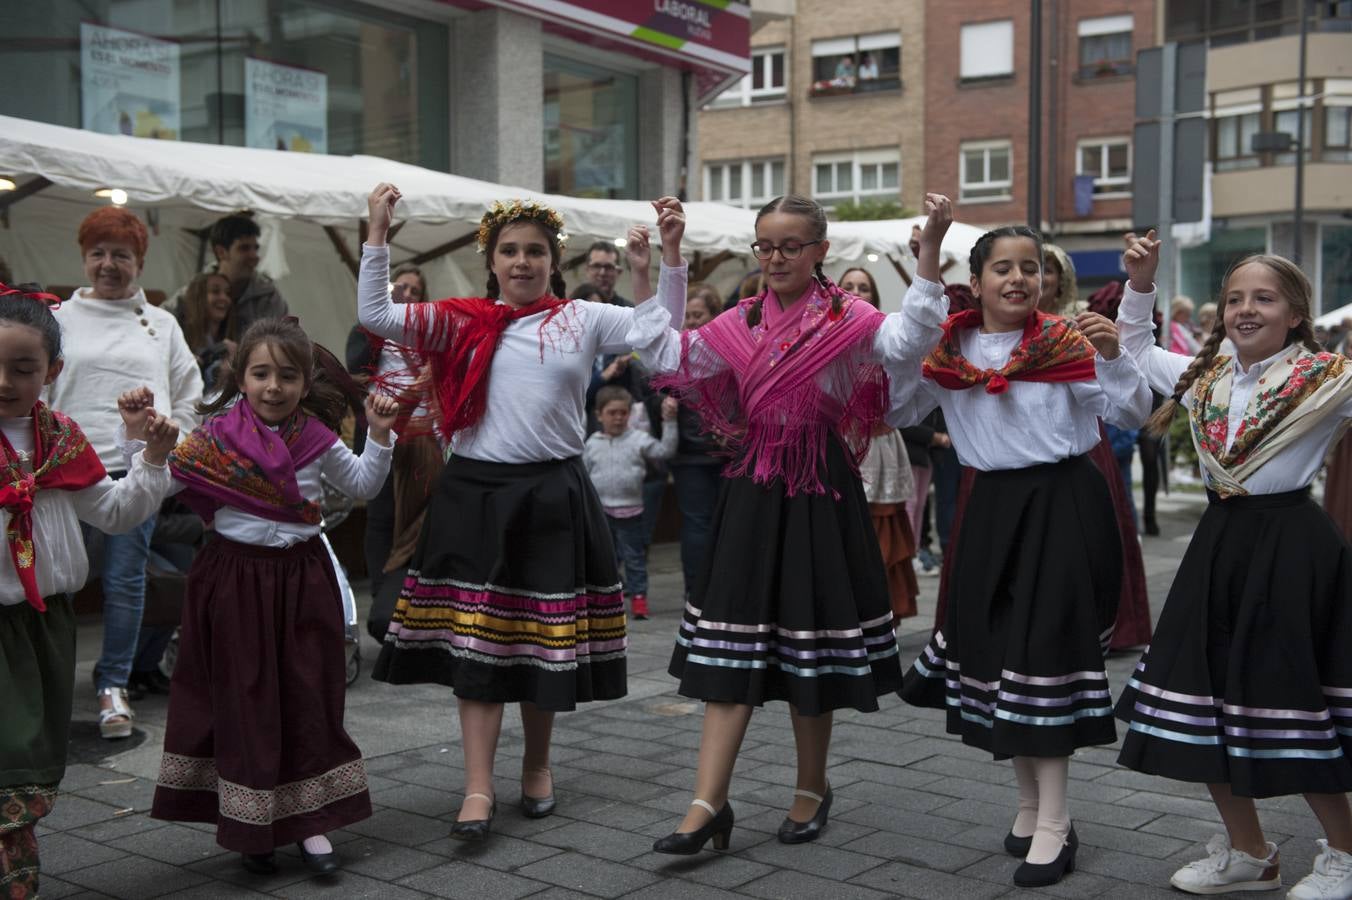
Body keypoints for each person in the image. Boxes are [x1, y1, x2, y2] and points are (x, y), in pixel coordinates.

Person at [361, 184, 688, 841]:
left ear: (551, 260)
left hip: (551, 496)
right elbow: (377, 314)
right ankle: (477, 787)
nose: (521, 261)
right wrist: (377, 233)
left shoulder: (582, 318)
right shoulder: (455, 319)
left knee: (543, 645)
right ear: (492, 260)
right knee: (477, 648)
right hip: (475, 496)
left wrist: (668, 259)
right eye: (509, 251)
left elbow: (659, 331)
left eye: (534, 251)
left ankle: (536, 767)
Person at [630, 194, 931, 855]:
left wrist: (928, 257)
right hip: (755, 487)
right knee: (726, 647)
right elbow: (667, 357)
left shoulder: (850, 318)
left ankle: (811, 789)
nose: (775, 258)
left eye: (790, 246)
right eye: (764, 246)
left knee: (810, 642)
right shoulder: (740, 321)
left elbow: (912, 341)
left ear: (822, 250)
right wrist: (670, 259)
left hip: (820, 485)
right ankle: (707, 802)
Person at [890, 206, 1151, 888]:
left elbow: (1131, 414)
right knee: (1002, 660)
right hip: (989, 512)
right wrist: (923, 275)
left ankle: (1057, 825)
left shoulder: (1068, 341)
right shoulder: (949, 349)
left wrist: (1118, 354)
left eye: (1029, 268)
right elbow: (894, 409)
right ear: (974, 281)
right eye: (1002, 268)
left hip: (1062, 507)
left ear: (1044, 278)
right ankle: (1030, 806)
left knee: (1045, 660)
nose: (1018, 278)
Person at [1112, 233, 1352, 899]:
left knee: (1291, 696)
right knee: (1204, 697)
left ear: (1296, 313)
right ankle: (1250, 852)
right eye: (1235, 299)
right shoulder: (1209, 379)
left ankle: (1344, 850)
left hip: (1291, 548)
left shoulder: (1329, 379)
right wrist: (1141, 283)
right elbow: (1133, 351)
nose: (1246, 309)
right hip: (1220, 545)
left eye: (1264, 298)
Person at [148, 318, 397, 876]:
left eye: (288, 375)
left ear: (306, 384)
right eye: (261, 373)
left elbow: (362, 486)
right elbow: (158, 483)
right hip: (233, 582)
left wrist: (378, 434)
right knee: (247, 701)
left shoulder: (316, 438)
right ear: (241, 378)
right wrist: (143, 443)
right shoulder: (212, 439)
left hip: (303, 581)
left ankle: (313, 825)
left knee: (310, 697)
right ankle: (252, 828)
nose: (273, 387)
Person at [0, 283, 178, 899]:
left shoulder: (60, 441)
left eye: (22, 369)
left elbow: (118, 512)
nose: (4, 381)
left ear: (52, 371)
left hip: (44, 626)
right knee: (7, 755)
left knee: (28, 762)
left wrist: (147, 454)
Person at [44, 206, 203, 740]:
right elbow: (38, 387)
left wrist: (165, 441)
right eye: (98, 254)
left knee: (125, 580)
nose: (108, 264)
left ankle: (113, 684)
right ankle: (46, 684)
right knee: (56, 576)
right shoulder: (60, 318)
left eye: (121, 255)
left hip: (137, 465)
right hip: (63, 463)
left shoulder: (161, 324)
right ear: (84, 258)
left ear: (140, 261)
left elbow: (190, 397)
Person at [345, 263, 441, 639]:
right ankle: (385, 600)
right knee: (383, 518)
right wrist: (379, 325)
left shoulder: (430, 336)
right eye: (400, 288)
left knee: (420, 523)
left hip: (423, 441)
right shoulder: (368, 330)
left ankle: (412, 607)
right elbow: (354, 368)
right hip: (383, 432)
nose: (407, 295)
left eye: (415, 291)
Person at [839, 266, 919, 620]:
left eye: (864, 287)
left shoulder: (886, 336)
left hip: (878, 442)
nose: (856, 292)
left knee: (881, 530)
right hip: (836, 445)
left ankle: (884, 612)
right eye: (848, 286)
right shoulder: (817, 336)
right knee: (840, 531)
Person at [584, 386, 678, 620]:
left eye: (623, 413)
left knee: (634, 557)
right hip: (601, 513)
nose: (618, 418)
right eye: (612, 412)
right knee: (604, 559)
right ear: (599, 415)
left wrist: (669, 422)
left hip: (632, 512)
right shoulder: (591, 443)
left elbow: (665, 451)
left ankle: (638, 599)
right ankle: (603, 599)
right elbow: (583, 477)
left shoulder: (638, 439)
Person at [175, 271, 235, 391]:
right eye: (215, 291)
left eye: (227, 293)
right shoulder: (178, 335)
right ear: (198, 297)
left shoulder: (231, 341)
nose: (224, 298)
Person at [584, 241, 629, 306]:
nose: (602, 273)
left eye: (609, 267)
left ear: (618, 272)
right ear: (587, 270)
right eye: (596, 266)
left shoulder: (629, 312)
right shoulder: (572, 309)